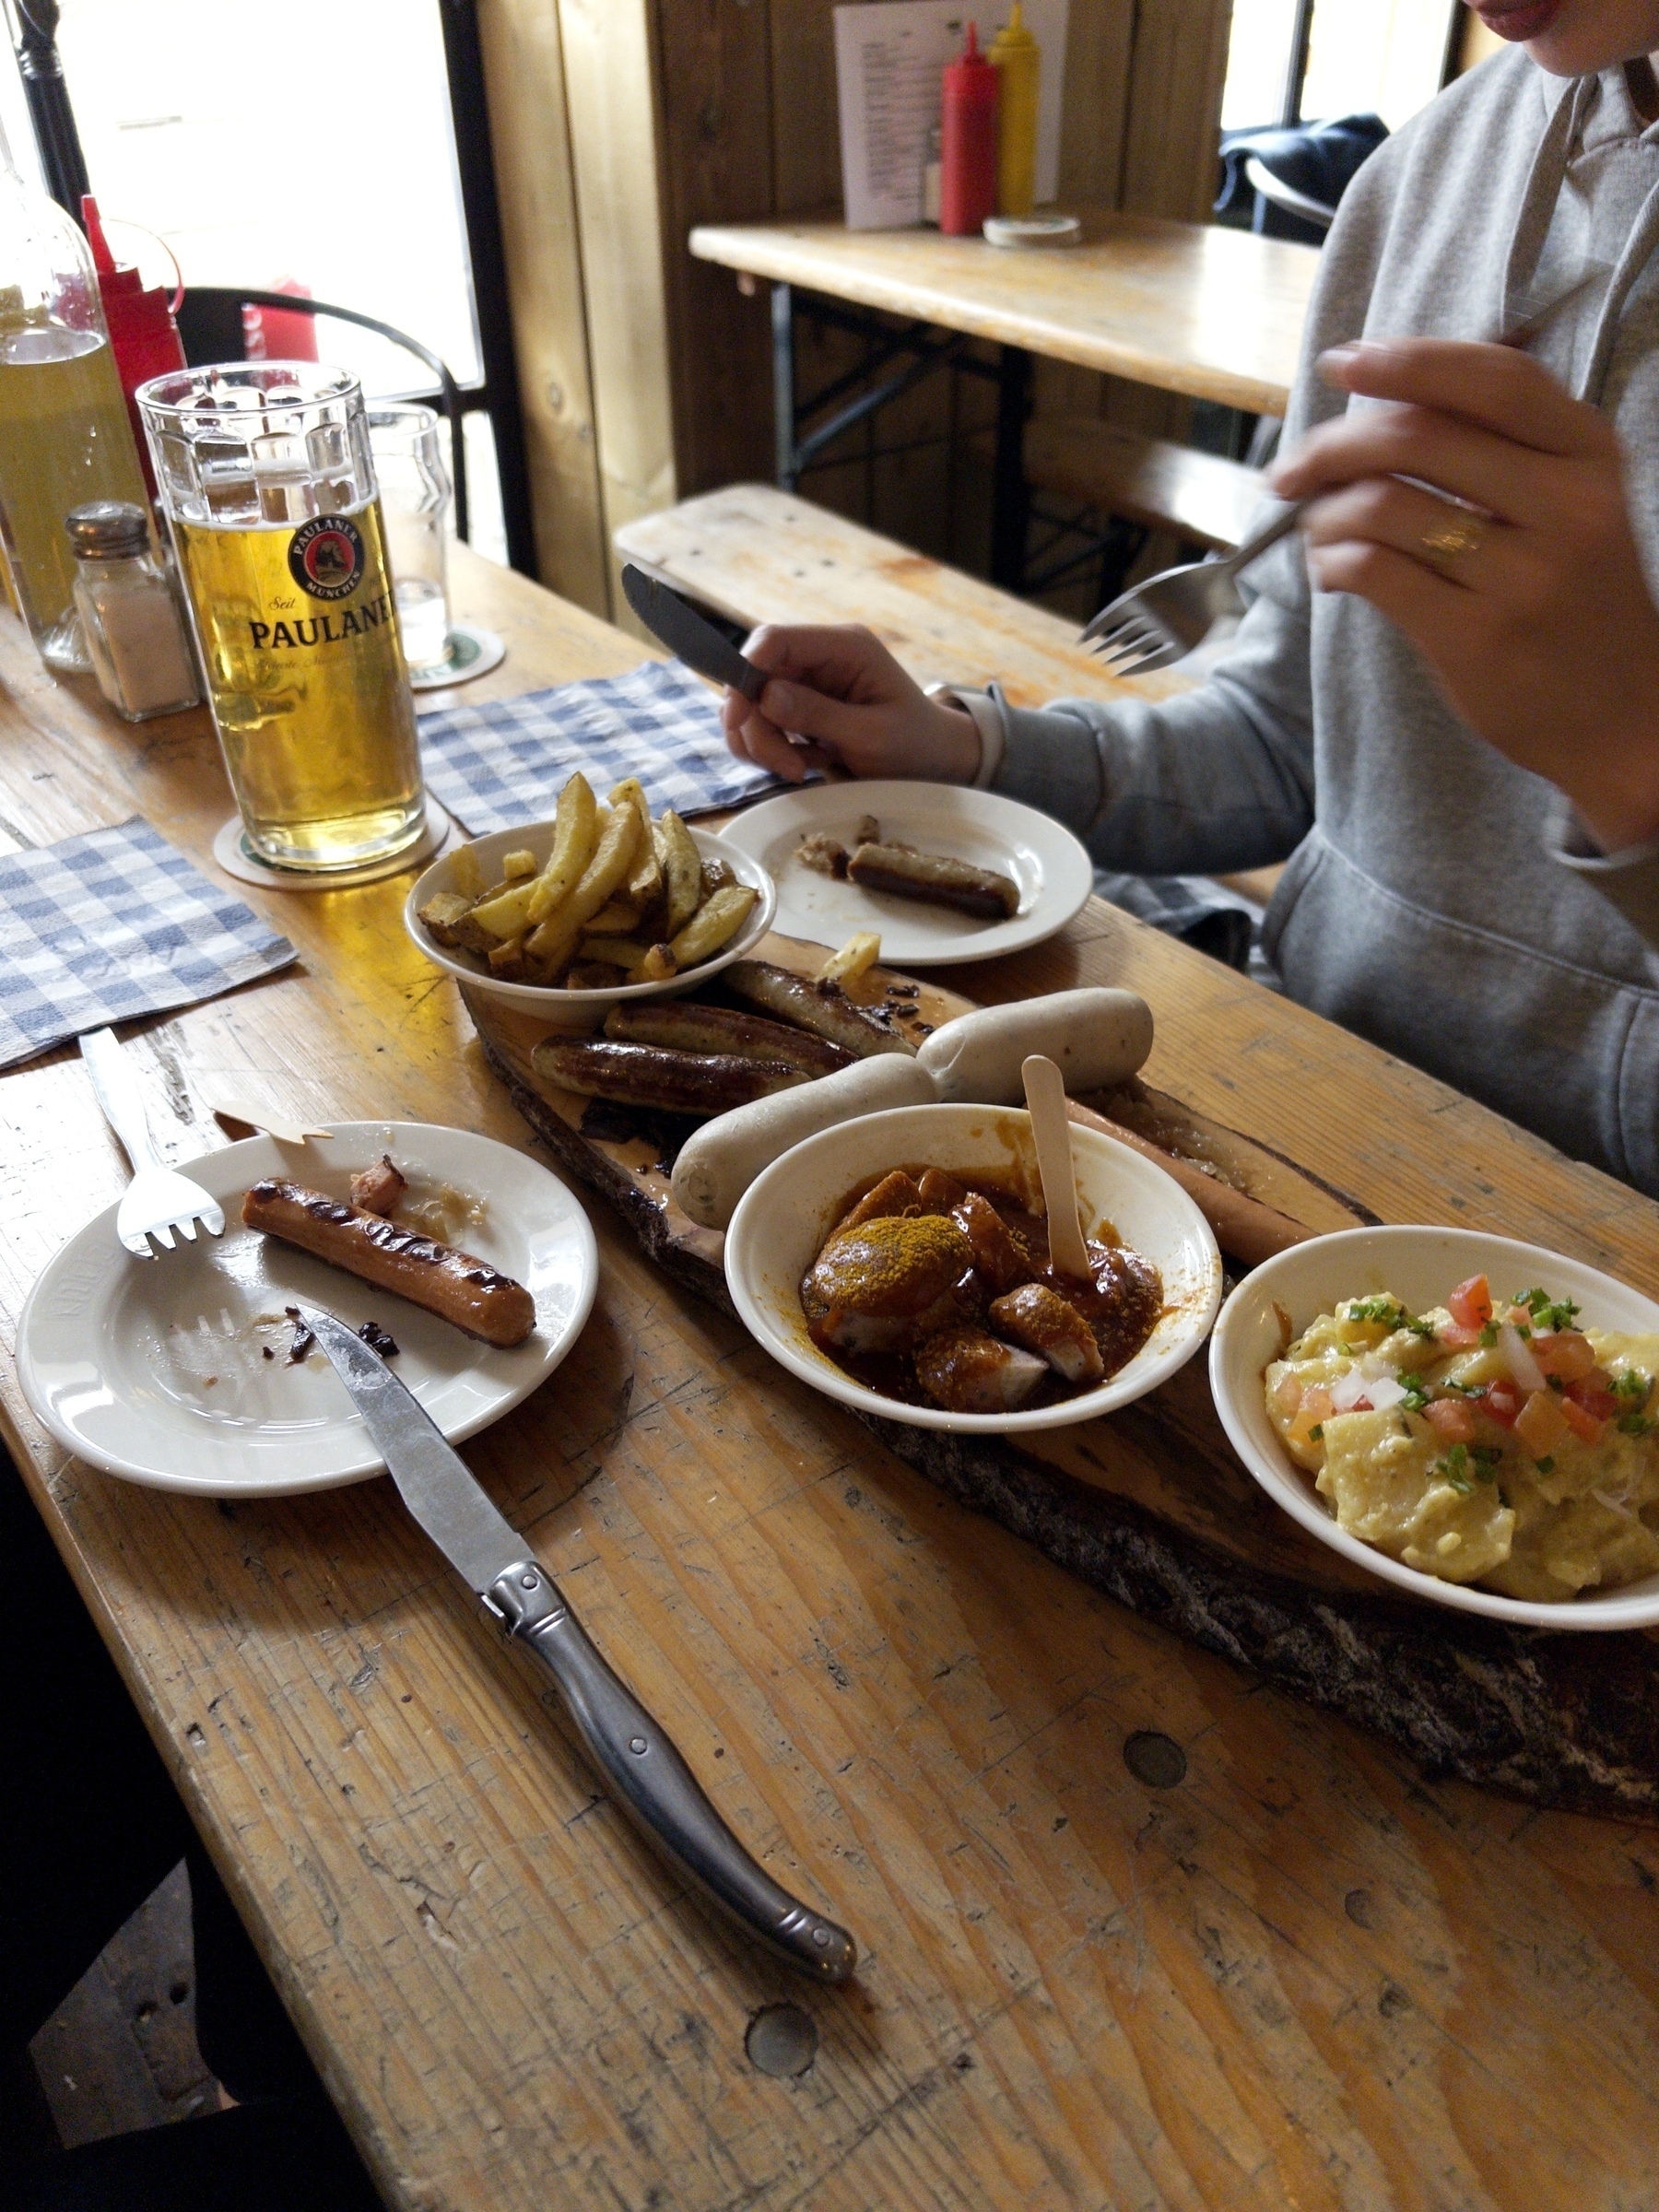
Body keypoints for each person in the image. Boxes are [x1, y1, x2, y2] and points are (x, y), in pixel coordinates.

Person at [723, 0, 1659, 1199]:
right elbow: (1283, 746)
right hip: (1302, 1091)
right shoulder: (1423, 181)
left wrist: (1636, 769)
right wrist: (966, 752)